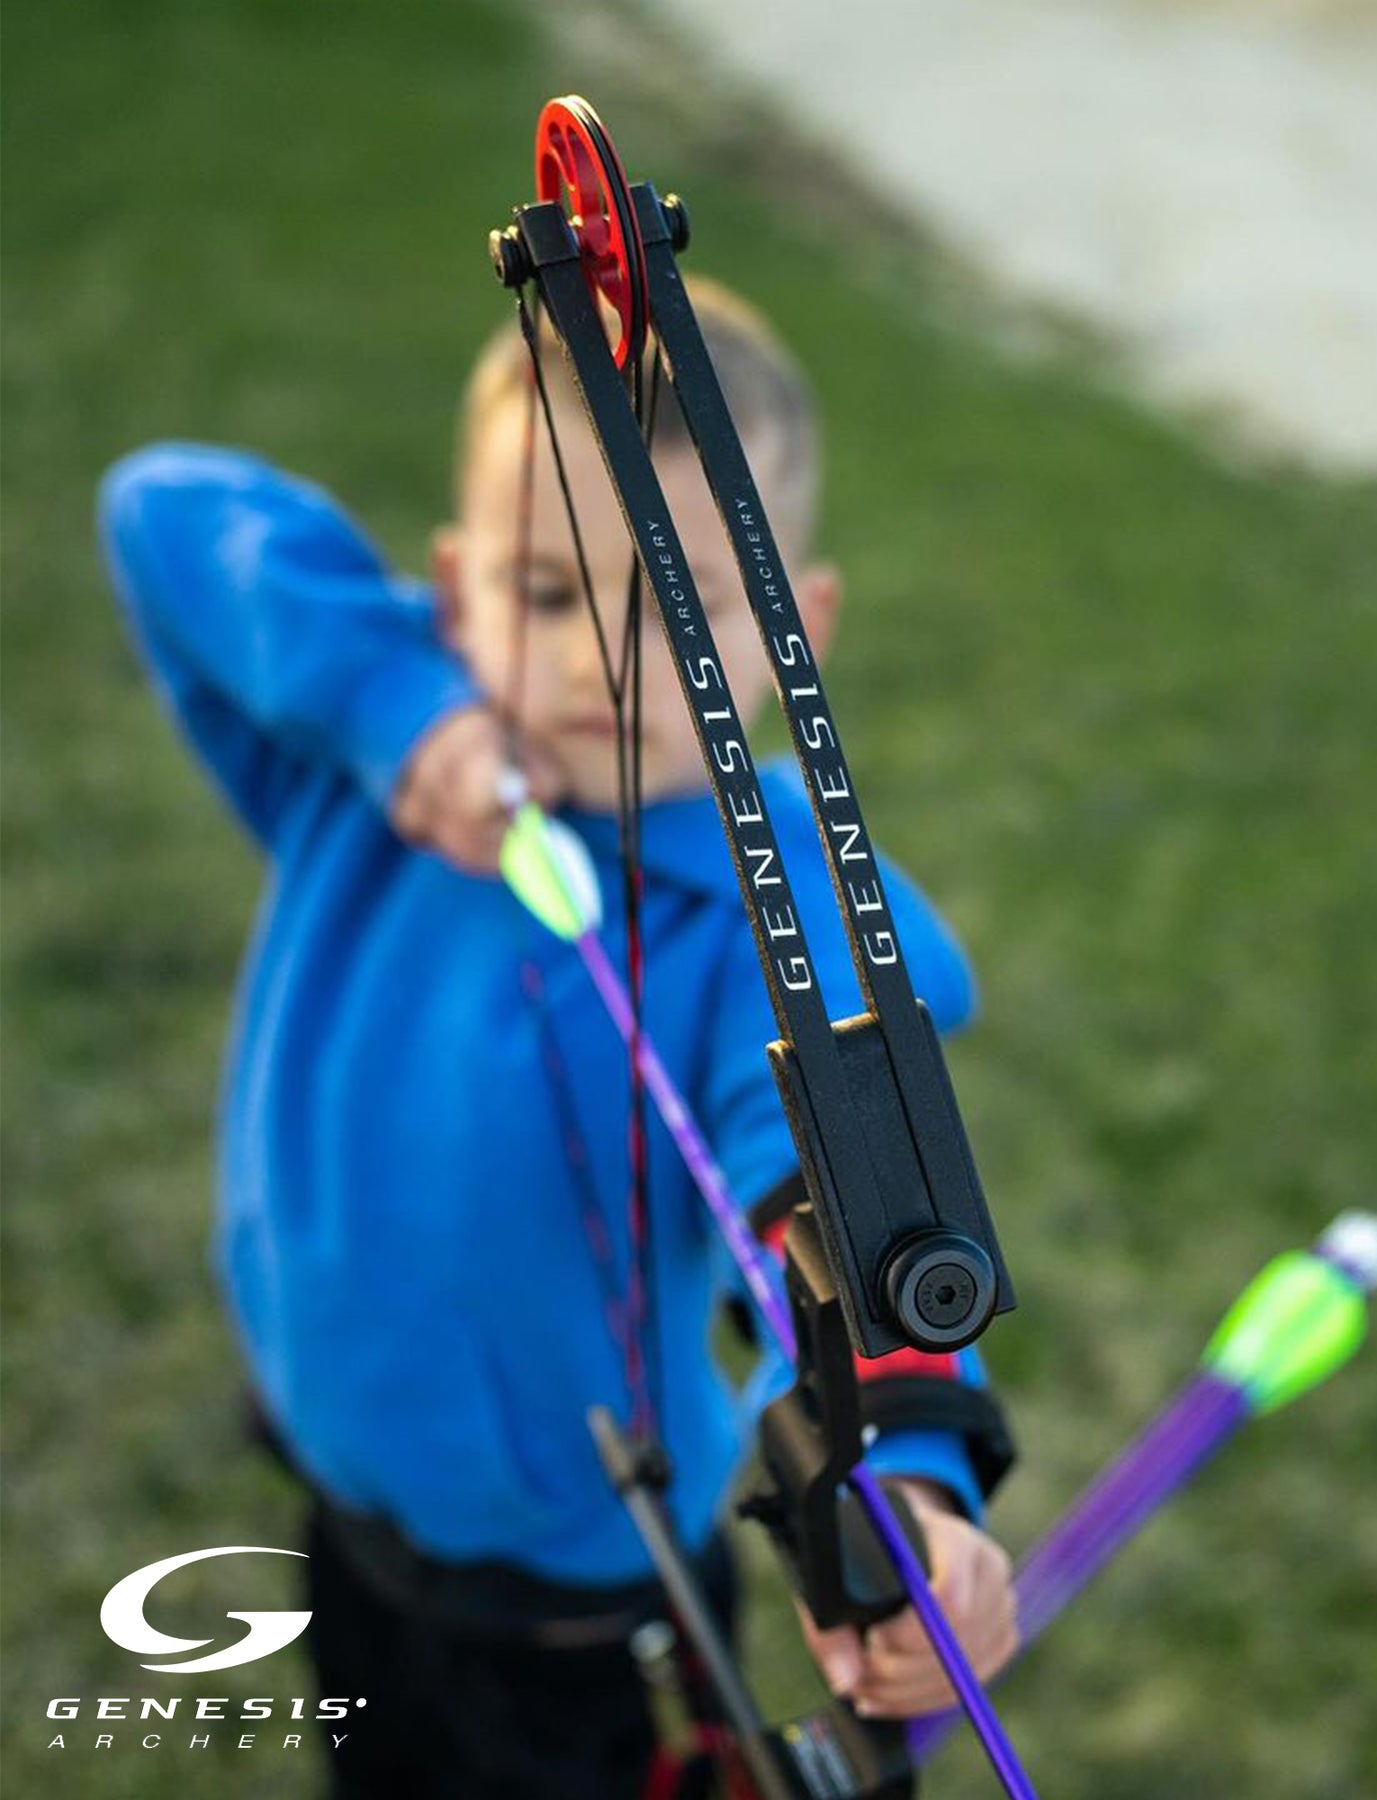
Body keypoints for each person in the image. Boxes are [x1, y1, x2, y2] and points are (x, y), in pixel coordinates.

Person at [98, 278, 1019, 1799]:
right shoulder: (381, 778)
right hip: (344, 1495)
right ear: (455, 591)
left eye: (683, 609)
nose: (600, 660)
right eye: (544, 592)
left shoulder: (764, 929)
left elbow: (843, 1223)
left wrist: (903, 1486)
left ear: (797, 634)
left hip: (581, 1614)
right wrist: (403, 712)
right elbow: (162, 510)